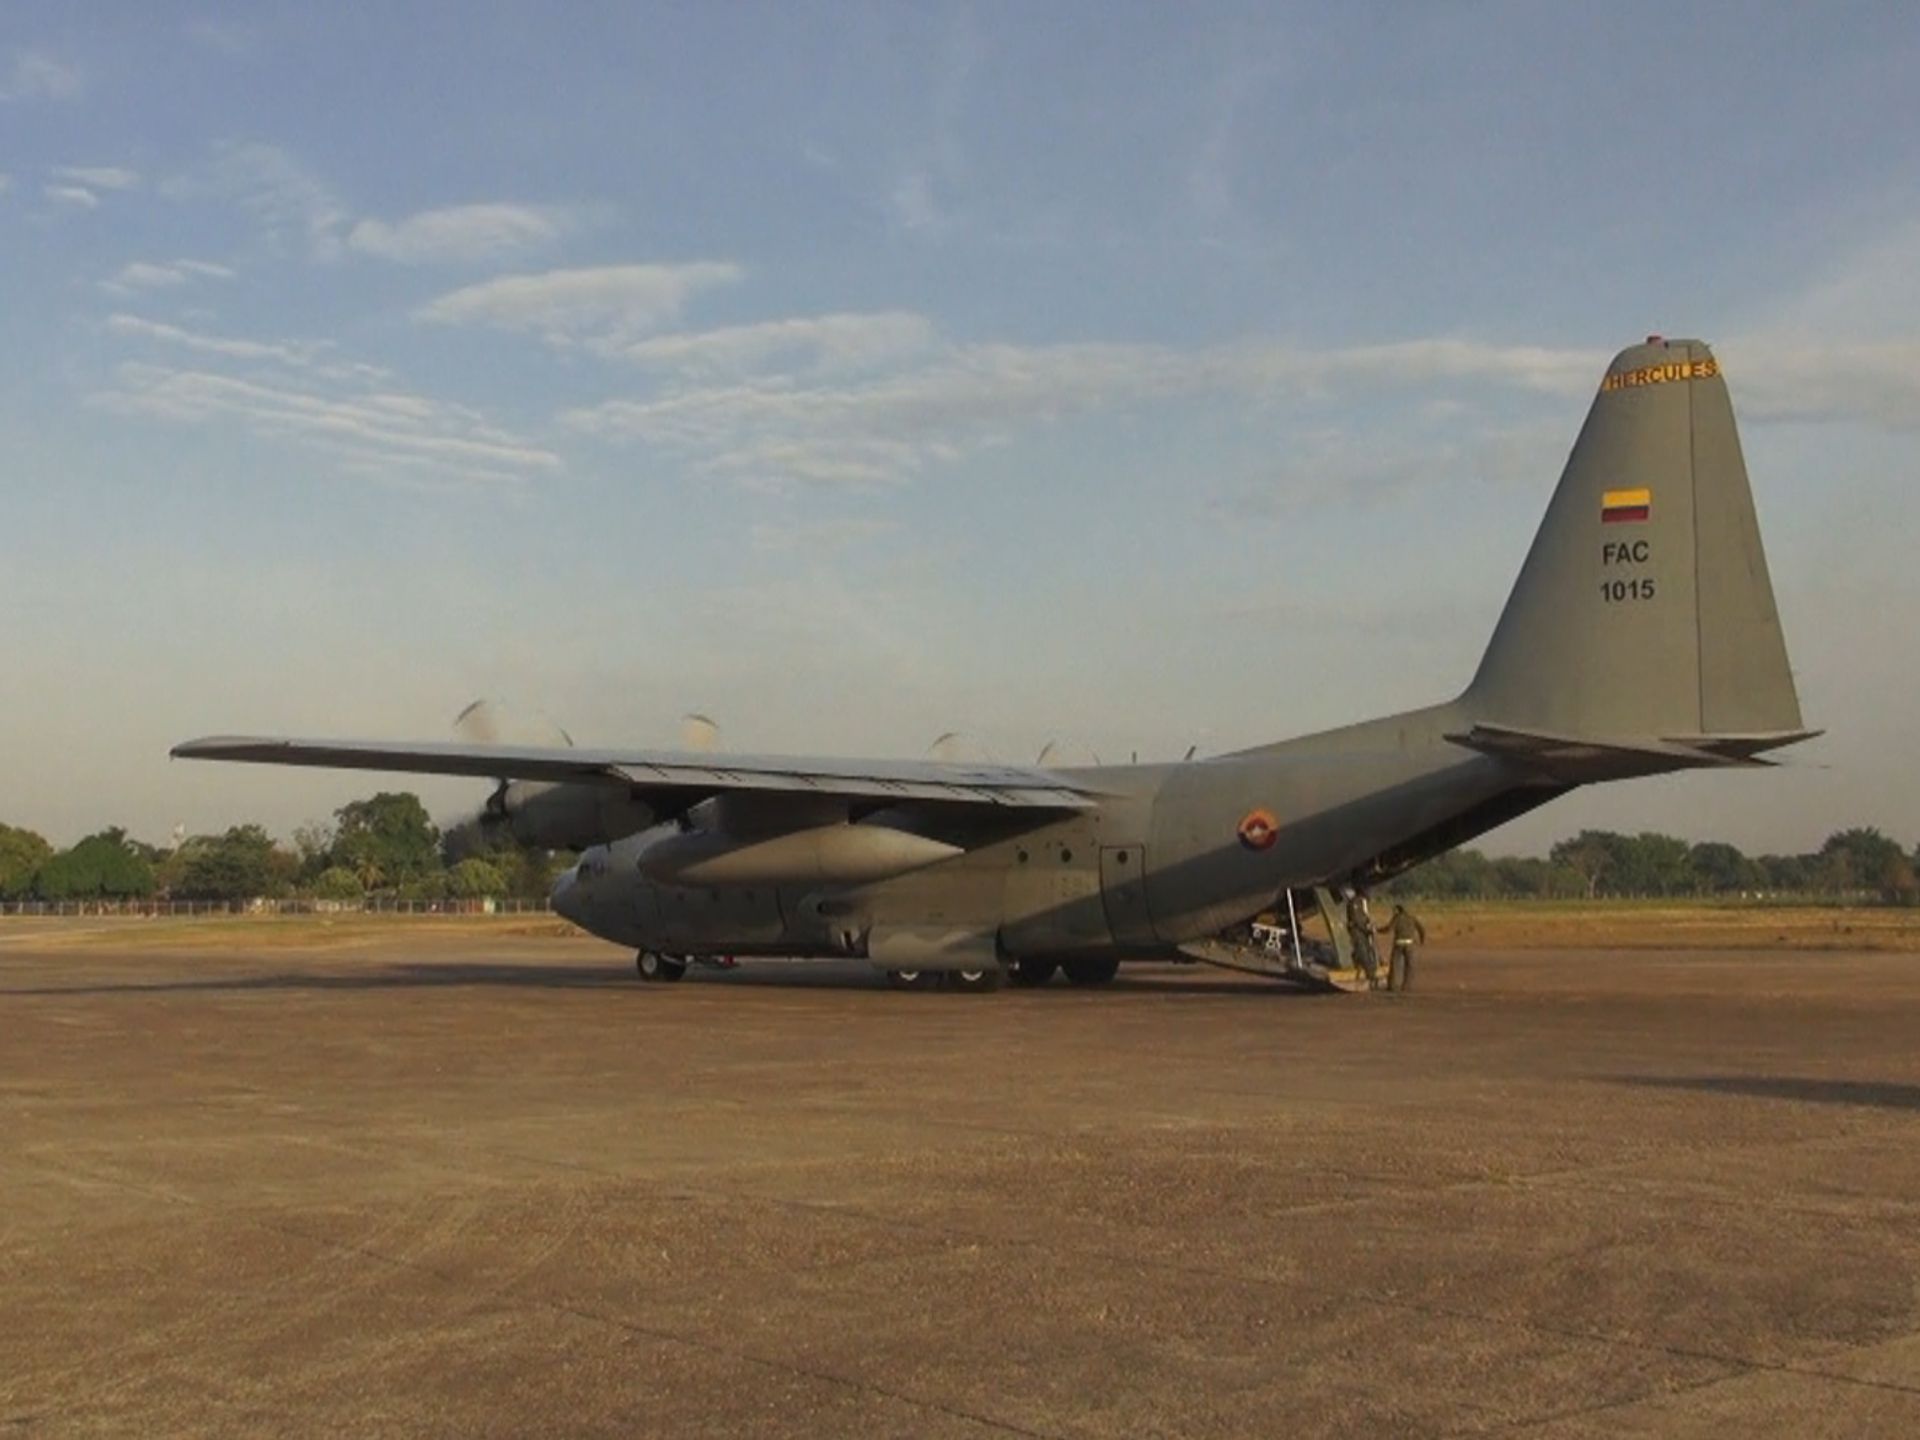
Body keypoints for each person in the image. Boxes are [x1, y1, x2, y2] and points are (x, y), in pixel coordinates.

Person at [1381, 903, 1427, 992]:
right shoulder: (1412, 918)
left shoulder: (1397, 918)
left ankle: (1393, 986)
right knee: (1410, 966)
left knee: (1395, 965)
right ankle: (1407, 986)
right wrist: (1422, 940)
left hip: (1399, 944)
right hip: (1410, 944)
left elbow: (1388, 929)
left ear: (1398, 910)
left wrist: (1377, 930)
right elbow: (1421, 929)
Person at [1344, 887, 1380, 987]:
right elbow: (1358, 919)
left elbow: (1361, 918)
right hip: (1359, 931)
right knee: (1362, 951)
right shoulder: (1356, 903)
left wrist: (1368, 926)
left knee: (1364, 951)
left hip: (1361, 931)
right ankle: (1369, 973)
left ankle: (1368, 972)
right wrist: (1367, 928)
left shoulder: (1358, 903)